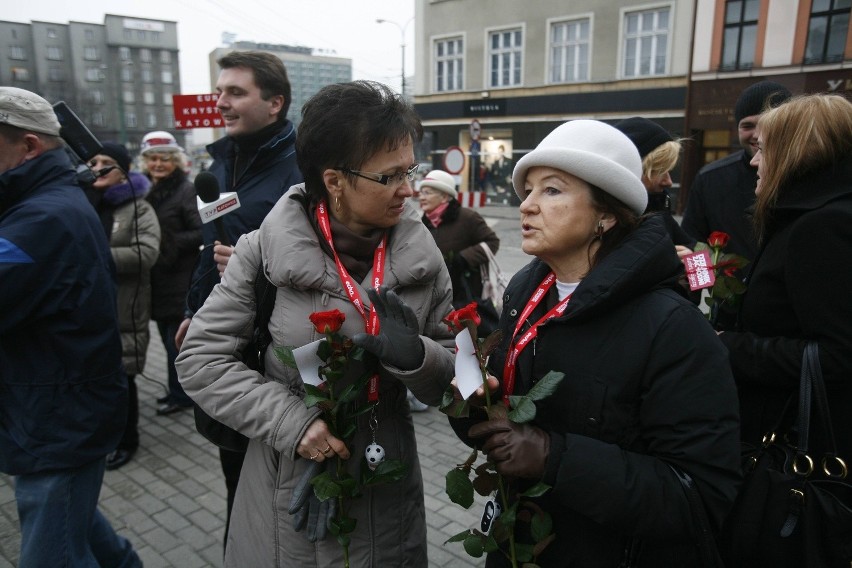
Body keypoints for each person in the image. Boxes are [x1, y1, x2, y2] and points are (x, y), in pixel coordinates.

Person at [176, 80, 456, 566]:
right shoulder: (262, 251)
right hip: (286, 483)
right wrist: (292, 422)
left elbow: (462, 374)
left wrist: (420, 358)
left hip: (387, 489)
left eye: (409, 170)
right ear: (335, 181)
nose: (409, 189)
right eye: (390, 176)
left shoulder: (424, 255)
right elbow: (201, 361)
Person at [449, 119, 741, 566]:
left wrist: (555, 457)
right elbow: (510, 424)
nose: (525, 206)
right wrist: (476, 406)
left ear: (606, 214)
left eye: (551, 190)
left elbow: (699, 497)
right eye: (527, 191)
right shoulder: (525, 295)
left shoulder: (672, 327)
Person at [0, 87, 141, 566]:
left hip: (58, 417)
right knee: (78, 530)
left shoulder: (45, 217)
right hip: (48, 409)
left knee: (53, 550)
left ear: (29, 146)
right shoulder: (37, 206)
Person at [177, 50, 303, 547]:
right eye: (219, 91)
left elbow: (329, 266)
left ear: (274, 103)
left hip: (279, 352)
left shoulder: (301, 171)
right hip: (226, 347)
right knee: (237, 481)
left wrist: (260, 271)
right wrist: (196, 310)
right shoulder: (219, 165)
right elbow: (210, 250)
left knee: (280, 487)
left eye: (235, 92)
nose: (221, 102)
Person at [718, 94, 852, 508]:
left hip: (801, 450)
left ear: (796, 152)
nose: (754, 163)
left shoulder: (823, 226)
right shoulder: (814, 215)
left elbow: (838, 355)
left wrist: (727, 345)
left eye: (762, 149)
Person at [86, 142, 161, 470]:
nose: (97, 167)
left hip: (122, 307)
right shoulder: (82, 202)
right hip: (86, 307)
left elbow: (147, 253)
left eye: (107, 162)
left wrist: (96, 259)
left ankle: (126, 440)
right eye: (93, 161)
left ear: (124, 171)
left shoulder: (138, 208)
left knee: (121, 378)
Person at [681, 80, 792, 261]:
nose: (756, 134)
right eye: (747, 126)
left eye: (767, 123)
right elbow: (692, 246)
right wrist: (704, 286)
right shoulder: (710, 179)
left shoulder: (814, 173)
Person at [141, 130, 202, 417]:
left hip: (179, 278)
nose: (158, 164)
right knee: (167, 341)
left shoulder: (185, 190)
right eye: (152, 159)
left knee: (174, 342)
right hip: (158, 278)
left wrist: (171, 241)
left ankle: (182, 395)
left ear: (175, 161)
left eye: (164, 159)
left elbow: (200, 229)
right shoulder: (148, 190)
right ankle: (176, 390)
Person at [613, 116, 696, 256]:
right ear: (632, 170)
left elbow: (702, 270)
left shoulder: (658, 208)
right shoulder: (602, 223)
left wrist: (693, 261)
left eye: (668, 170)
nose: (668, 182)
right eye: (659, 170)